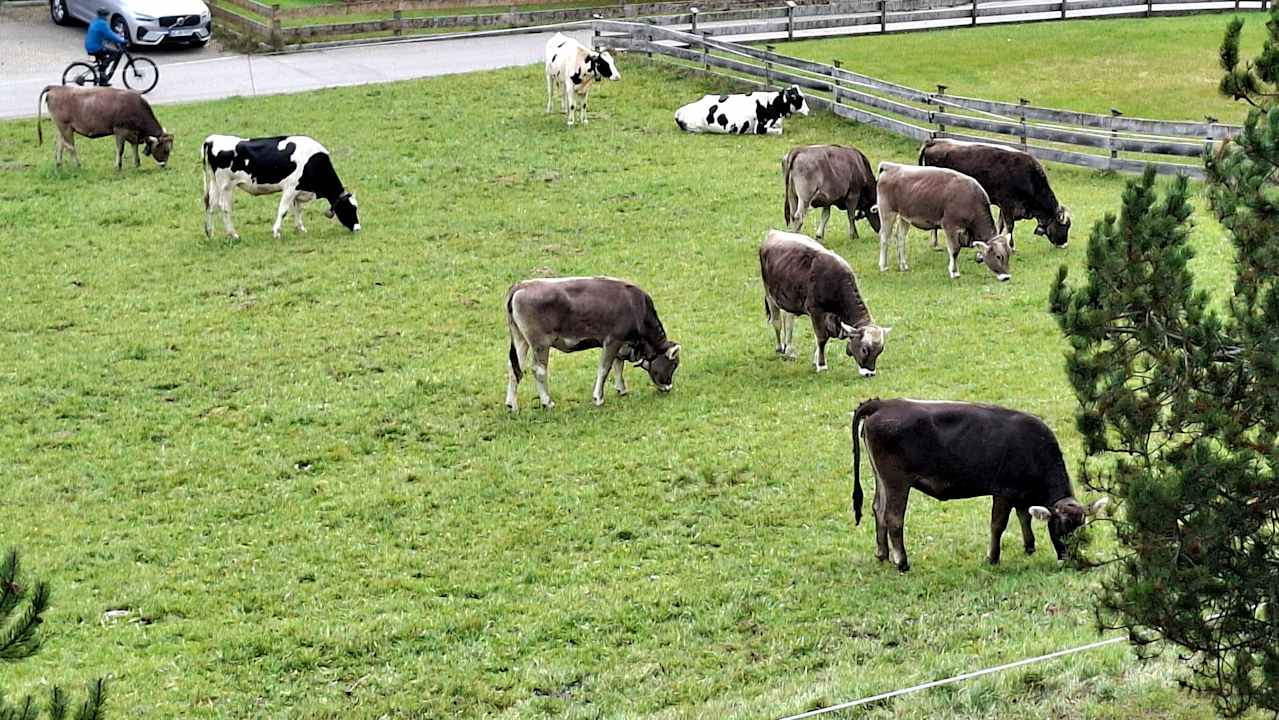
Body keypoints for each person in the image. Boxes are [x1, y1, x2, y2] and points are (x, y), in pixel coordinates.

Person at [85, 8, 127, 82]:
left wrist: (114, 38)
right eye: (106, 15)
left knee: (104, 58)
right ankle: (102, 69)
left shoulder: (95, 21)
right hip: (95, 47)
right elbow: (110, 34)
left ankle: (103, 80)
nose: (107, 17)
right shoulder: (102, 24)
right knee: (115, 53)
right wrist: (121, 40)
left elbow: (105, 34)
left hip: (90, 45)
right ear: (104, 15)